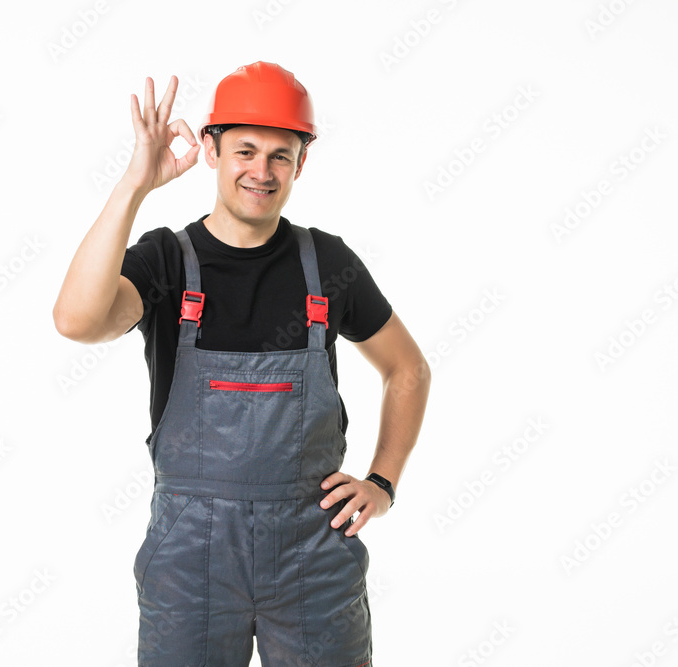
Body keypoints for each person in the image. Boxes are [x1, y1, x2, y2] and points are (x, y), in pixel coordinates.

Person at [53, 61, 431, 667]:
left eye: (281, 155)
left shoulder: (327, 263)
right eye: (245, 150)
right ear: (211, 149)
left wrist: (382, 481)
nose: (262, 170)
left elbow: (408, 370)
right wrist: (134, 185)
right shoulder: (166, 262)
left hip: (312, 547)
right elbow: (75, 320)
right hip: (191, 555)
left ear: (301, 163)